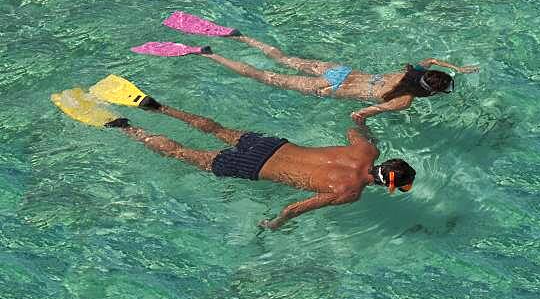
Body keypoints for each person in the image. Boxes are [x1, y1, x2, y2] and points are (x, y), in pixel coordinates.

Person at [106, 98, 416, 229]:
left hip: (271, 145)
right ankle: (125, 127)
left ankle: (160, 108)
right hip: (254, 168)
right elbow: (294, 209)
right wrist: (274, 224)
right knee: (181, 153)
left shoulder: (366, 152)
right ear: (387, 183)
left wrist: (367, 132)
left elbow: (353, 128)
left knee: (215, 128)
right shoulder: (350, 192)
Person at [153, 33, 479, 121]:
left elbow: (432, 59)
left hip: (339, 71)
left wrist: (457, 68)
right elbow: (360, 113)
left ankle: (239, 37)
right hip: (329, 87)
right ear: (430, 94)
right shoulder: (404, 102)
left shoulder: (408, 73)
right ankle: (209, 54)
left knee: (282, 58)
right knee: (263, 77)